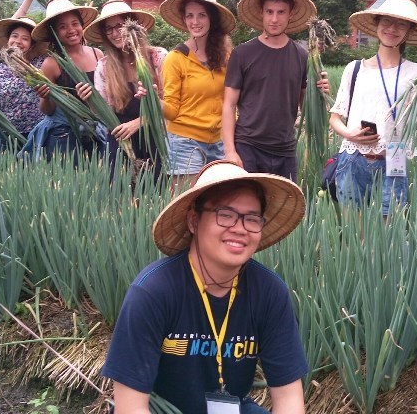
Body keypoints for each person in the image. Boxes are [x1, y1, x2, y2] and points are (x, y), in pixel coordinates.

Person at [102, 160, 308, 413]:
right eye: (226, 215)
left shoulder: (269, 291)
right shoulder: (154, 291)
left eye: (252, 219)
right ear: (193, 220)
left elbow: (289, 399)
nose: (240, 228)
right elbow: (130, 407)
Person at [330, 0, 417, 218]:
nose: (392, 29)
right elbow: (335, 117)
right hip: (354, 158)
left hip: (394, 157)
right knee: (356, 234)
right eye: (387, 22)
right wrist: (350, 134)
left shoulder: (415, 72)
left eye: (401, 24)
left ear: (409, 31)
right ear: (376, 24)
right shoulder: (354, 69)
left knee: (387, 237)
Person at [222, 0, 326, 181]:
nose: (274, 19)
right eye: (269, 12)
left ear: (291, 14)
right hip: (248, 145)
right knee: (250, 208)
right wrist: (230, 151)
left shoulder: (301, 56)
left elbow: (306, 106)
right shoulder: (243, 53)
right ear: (261, 12)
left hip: (285, 149)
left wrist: (320, 93)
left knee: (285, 209)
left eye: (281, 12)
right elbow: (228, 104)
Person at [159, 0, 236, 191]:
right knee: (186, 204)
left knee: (216, 203)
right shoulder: (176, 58)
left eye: (202, 15)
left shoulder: (226, 55)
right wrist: (151, 100)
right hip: (185, 142)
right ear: (184, 20)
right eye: (190, 16)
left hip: (219, 141)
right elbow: (172, 110)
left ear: (212, 19)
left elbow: (237, 96)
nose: (195, 21)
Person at [82, 0, 167, 170]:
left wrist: (139, 122)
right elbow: (102, 112)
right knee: (120, 192)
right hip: (121, 139)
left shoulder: (158, 58)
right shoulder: (104, 67)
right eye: (109, 29)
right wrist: (90, 100)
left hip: (156, 137)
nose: (115, 33)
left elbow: (171, 106)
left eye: (120, 25)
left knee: (157, 191)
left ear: (132, 26)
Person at [30, 0, 101, 159]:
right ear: (54, 33)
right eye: (62, 27)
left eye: (75, 23)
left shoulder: (98, 55)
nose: (71, 30)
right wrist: (46, 97)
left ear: (82, 25)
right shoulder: (51, 64)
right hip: (65, 136)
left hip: (96, 132)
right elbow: (47, 110)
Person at [0, 16, 49, 147]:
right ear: (8, 40)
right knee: (0, 167)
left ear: (32, 44)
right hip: (4, 135)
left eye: (25, 39)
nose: (18, 41)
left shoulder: (40, 65)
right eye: (14, 36)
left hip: (37, 133)